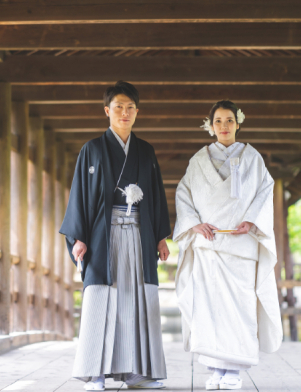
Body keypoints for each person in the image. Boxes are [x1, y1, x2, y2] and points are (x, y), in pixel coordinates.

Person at [60, 81, 171, 391]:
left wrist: (161, 236)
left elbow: (157, 197)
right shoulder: (92, 150)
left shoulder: (145, 151)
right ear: (107, 111)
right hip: (101, 235)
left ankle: (136, 372)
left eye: (130, 108)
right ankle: (94, 373)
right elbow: (79, 196)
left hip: (137, 233)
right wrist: (78, 236)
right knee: (100, 298)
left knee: (135, 299)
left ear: (137, 112)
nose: (125, 113)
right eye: (119, 107)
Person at [173, 100, 282, 391]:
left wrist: (251, 221)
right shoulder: (198, 160)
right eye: (218, 121)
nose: (224, 126)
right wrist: (194, 223)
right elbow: (183, 194)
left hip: (240, 244)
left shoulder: (252, 158)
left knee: (240, 308)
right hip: (209, 246)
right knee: (209, 310)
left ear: (238, 123)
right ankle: (216, 368)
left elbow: (264, 191)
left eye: (229, 121)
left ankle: (234, 370)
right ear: (210, 126)